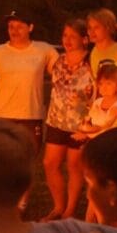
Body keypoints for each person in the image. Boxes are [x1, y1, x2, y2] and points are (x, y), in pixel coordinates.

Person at [0, 11, 58, 153]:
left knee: (28, 160)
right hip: (1, 115)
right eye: (11, 27)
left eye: (20, 26)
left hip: (30, 115)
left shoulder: (45, 50)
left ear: (30, 27)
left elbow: (61, 73)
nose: (14, 31)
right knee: (1, 159)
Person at [41, 20, 93, 220]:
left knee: (74, 165)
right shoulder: (59, 61)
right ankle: (58, 206)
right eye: (65, 35)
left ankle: (70, 209)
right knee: (49, 163)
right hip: (56, 120)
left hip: (80, 123)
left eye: (73, 36)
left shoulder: (91, 61)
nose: (68, 40)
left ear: (84, 39)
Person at [75, 64, 117, 144]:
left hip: (111, 145)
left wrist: (87, 133)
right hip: (94, 143)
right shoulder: (98, 102)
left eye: (108, 84)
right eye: (101, 83)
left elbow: (105, 128)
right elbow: (89, 120)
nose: (103, 87)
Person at [86, 9, 117, 75]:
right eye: (89, 28)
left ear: (108, 28)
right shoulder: (93, 52)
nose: (91, 32)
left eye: (96, 28)